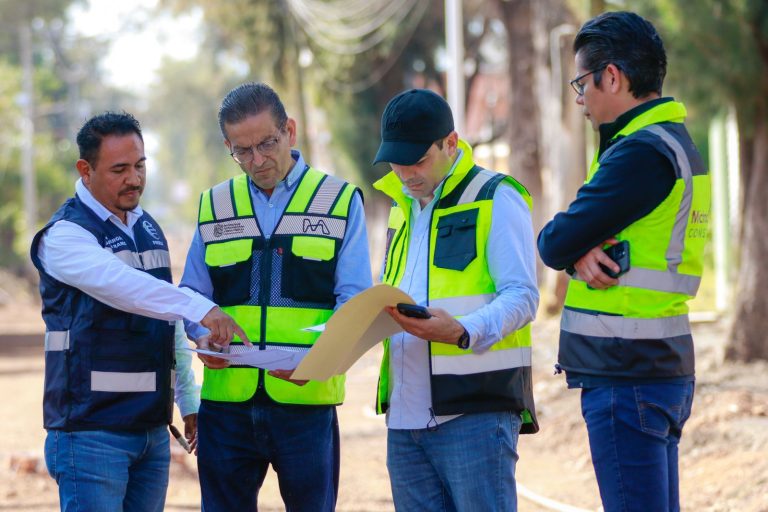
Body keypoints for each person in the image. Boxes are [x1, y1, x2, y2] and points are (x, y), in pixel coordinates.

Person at [30, 112, 249, 512]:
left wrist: (188, 400)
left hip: (151, 432)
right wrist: (203, 308)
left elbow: (164, 316)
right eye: (119, 169)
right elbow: (124, 287)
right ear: (85, 170)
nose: (134, 179)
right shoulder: (65, 235)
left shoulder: (147, 227)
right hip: (91, 433)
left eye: (140, 165)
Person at [537, 11, 710, 512]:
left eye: (581, 83)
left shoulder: (640, 153)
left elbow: (554, 241)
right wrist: (579, 255)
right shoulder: (673, 142)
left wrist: (571, 251)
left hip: (626, 373)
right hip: (659, 365)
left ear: (611, 77)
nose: (580, 99)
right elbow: (584, 241)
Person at [180, 82, 372, 511]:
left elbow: (355, 300)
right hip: (226, 404)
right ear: (228, 147)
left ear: (290, 131)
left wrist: (321, 361)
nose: (257, 160)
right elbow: (191, 293)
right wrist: (202, 332)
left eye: (267, 143)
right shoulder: (216, 204)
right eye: (242, 151)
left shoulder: (339, 200)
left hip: (305, 402)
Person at [371, 88, 539, 511]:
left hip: (474, 413)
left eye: (418, 159)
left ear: (451, 143)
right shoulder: (400, 209)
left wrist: (464, 330)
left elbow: (523, 295)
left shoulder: (494, 196)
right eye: (396, 161)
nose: (405, 173)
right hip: (404, 420)